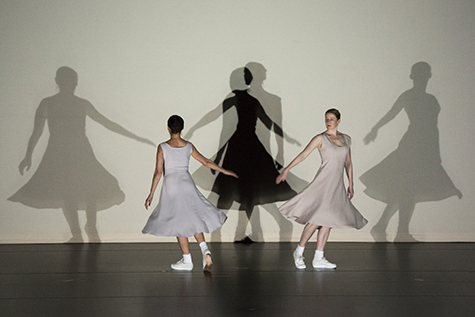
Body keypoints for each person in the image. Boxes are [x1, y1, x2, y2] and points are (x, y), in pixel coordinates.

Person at [8, 66, 154, 243]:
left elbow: (107, 123)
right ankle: (79, 230)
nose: (72, 84)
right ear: (63, 82)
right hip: (61, 152)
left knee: (83, 187)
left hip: (77, 151)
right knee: (71, 189)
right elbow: (36, 132)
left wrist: (136, 137)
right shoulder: (52, 103)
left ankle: (86, 227)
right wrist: (28, 155)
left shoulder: (66, 103)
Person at [185, 67, 298, 242]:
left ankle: (225, 231)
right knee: (242, 190)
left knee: (235, 189)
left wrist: (195, 129)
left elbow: (217, 116)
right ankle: (233, 231)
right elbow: (268, 123)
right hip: (245, 145)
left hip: (243, 146)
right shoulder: (247, 99)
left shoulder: (243, 98)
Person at [361, 62, 462, 242]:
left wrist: (435, 153)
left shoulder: (431, 99)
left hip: (426, 147)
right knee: (407, 189)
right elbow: (391, 114)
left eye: (424, 74)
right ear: (413, 77)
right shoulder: (409, 96)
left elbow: (433, 128)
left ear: (428, 76)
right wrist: (375, 129)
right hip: (412, 146)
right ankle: (398, 231)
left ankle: (386, 227)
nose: (422, 78)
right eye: (420, 74)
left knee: (407, 190)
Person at [143, 115, 238, 271]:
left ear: (168, 128)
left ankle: (187, 260)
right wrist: (225, 171)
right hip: (187, 184)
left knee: (179, 221)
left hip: (172, 186)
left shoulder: (162, 147)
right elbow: (206, 162)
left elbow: (158, 172)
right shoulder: (188, 146)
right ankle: (204, 250)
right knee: (193, 217)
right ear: (182, 128)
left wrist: (151, 193)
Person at [276, 108, 367, 269]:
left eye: (332, 119)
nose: (328, 121)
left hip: (336, 185)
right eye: (326, 118)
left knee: (328, 221)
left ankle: (319, 257)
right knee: (316, 220)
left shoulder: (346, 139)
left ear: (339, 121)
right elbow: (304, 155)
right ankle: (299, 251)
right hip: (323, 183)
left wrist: (351, 183)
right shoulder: (321, 138)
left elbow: (348, 163)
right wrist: (286, 169)